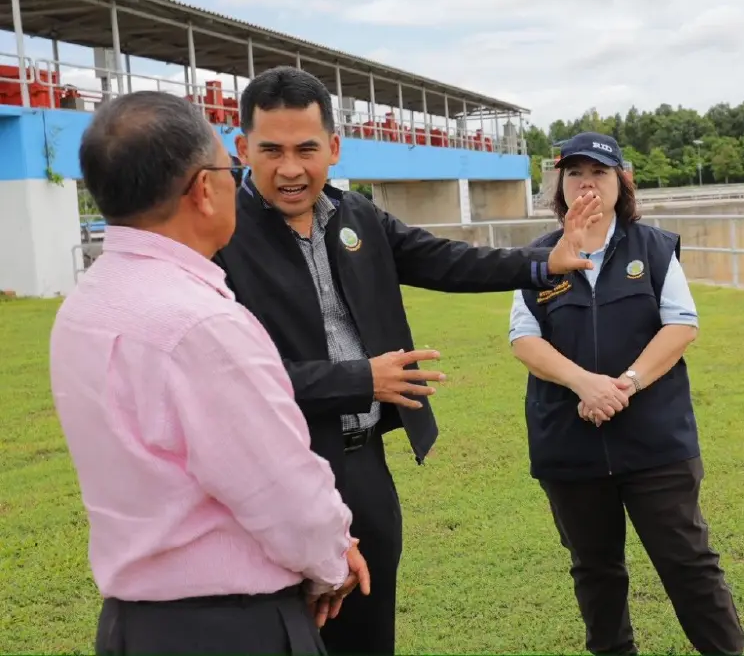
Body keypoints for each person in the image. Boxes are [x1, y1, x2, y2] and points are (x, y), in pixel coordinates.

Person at [212, 66, 601, 656]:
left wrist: (542, 263)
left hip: (361, 464)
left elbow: (444, 261)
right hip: (275, 471)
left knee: (368, 635)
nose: (290, 169)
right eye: (271, 150)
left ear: (335, 148)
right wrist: (360, 379)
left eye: (307, 150)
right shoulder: (218, 237)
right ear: (242, 149)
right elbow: (227, 381)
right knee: (285, 635)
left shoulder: (356, 216)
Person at [48, 91, 369, 655]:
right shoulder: (200, 324)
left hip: (133, 626)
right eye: (231, 168)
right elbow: (281, 490)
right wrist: (331, 558)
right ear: (202, 189)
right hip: (231, 627)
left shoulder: (85, 305)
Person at [509, 132, 744, 656]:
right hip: (569, 442)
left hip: (655, 441)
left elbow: (681, 325)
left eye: (599, 173)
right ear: (561, 185)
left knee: (688, 562)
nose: (586, 183)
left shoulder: (654, 248)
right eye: (574, 174)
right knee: (595, 570)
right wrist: (583, 383)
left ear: (622, 182)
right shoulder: (539, 258)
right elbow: (523, 339)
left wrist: (627, 383)